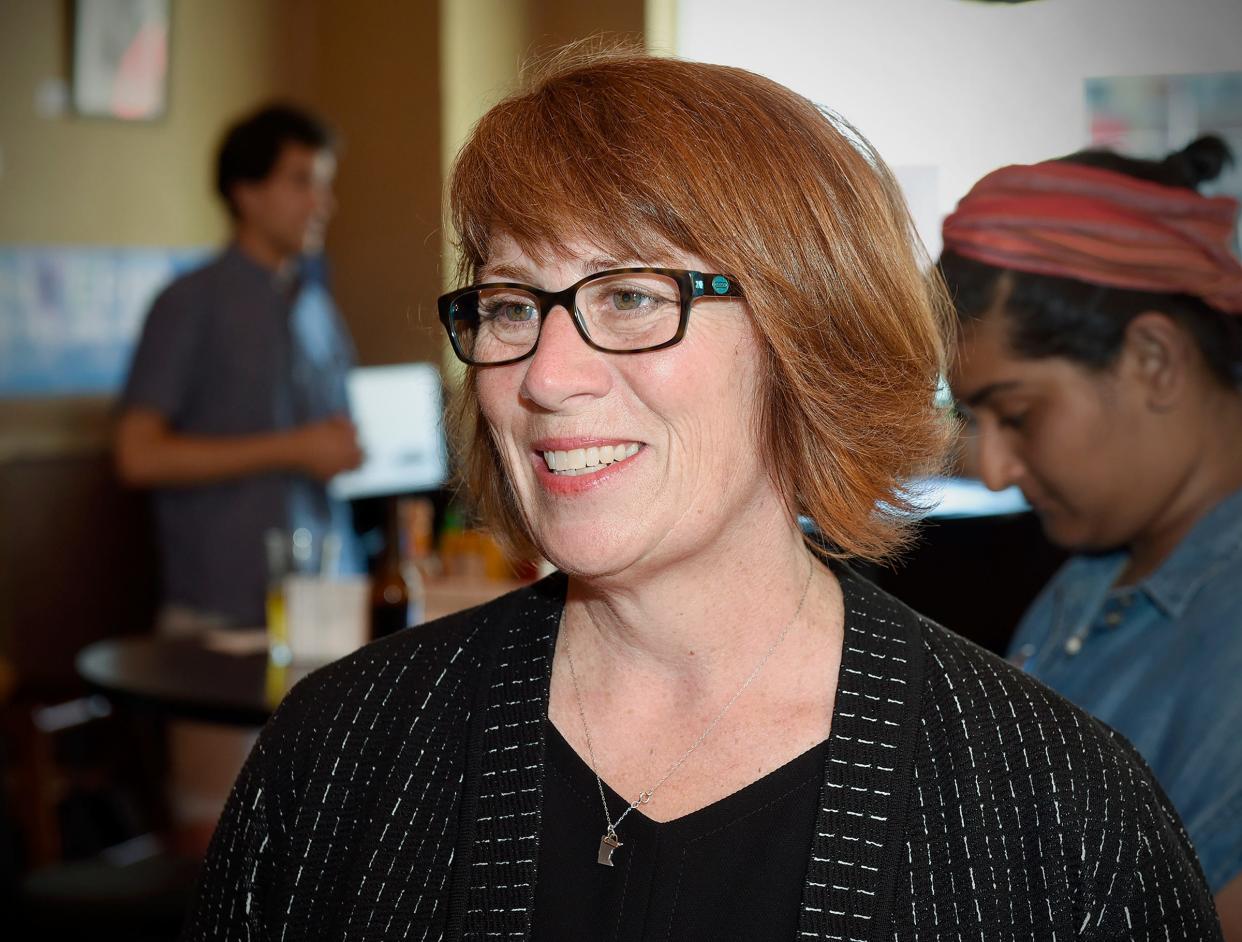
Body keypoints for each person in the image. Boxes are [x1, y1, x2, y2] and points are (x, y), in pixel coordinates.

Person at [183, 52, 1220, 940]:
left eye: (632, 296)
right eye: (509, 305)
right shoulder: (339, 756)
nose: (545, 375)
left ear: (806, 338)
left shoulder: (1061, 817)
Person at [942, 136, 1242, 936]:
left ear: (1153, 359)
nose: (997, 470)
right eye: (977, 422)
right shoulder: (1089, 581)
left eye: (1020, 415)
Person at [115, 103, 364, 841]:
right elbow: (137, 454)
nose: (323, 201)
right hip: (217, 620)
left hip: (325, 621)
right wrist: (291, 448)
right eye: (301, 181)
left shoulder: (320, 307)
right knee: (214, 845)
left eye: (326, 183)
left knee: (321, 850)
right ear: (244, 192)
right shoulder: (187, 304)